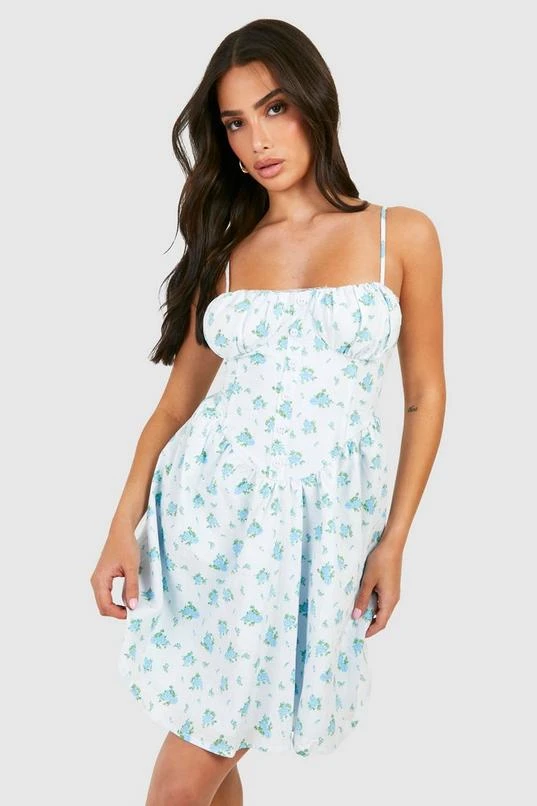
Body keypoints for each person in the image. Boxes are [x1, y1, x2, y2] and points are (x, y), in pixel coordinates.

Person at [90, 17, 446, 806]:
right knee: (198, 767)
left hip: (318, 536)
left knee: (206, 754)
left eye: (274, 108)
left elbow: (424, 394)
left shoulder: (400, 235)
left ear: (316, 102)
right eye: (234, 122)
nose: (257, 140)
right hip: (205, 522)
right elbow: (173, 408)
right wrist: (121, 526)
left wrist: (393, 540)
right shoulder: (225, 251)